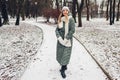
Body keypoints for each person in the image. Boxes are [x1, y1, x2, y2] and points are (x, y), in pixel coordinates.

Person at [55, 6, 75, 78]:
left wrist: (66, 38)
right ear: (62, 12)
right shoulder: (60, 19)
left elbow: (72, 30)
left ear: (68, 11)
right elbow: (56, 30)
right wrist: (59, 37)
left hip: (67, 40)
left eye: (66, 10)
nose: (65, 12)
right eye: (64, 10)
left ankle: (62, 69)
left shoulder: (71, 19)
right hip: (60, 41)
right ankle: (64, 65)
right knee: (61, 54)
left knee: (66, 54)